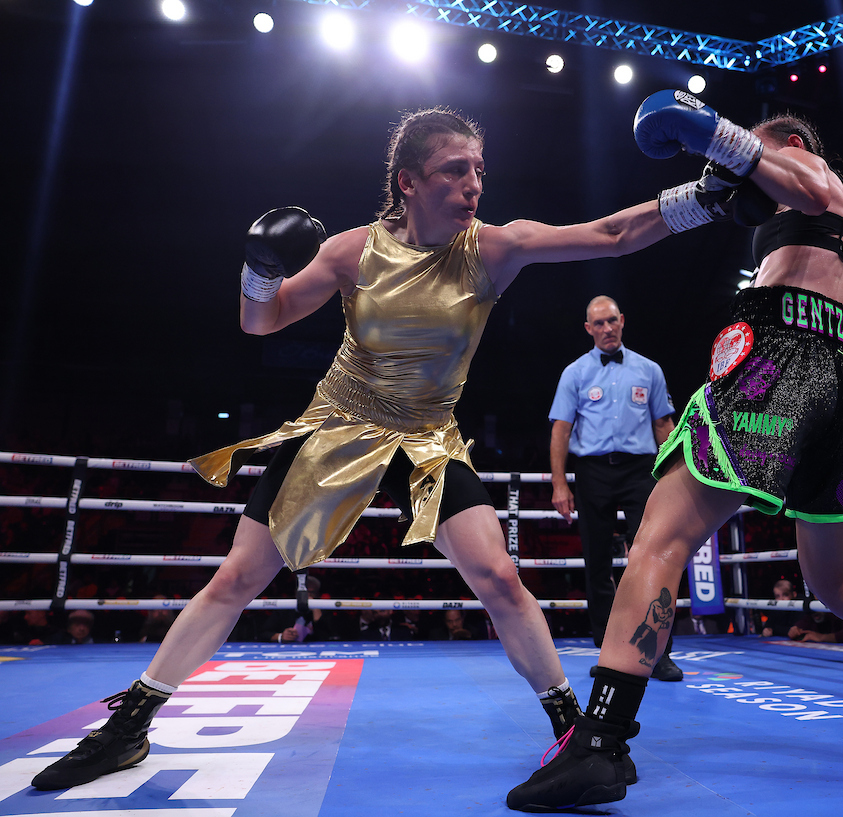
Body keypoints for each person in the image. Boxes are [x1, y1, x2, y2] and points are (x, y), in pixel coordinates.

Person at [32, 106, 746, 792]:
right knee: (237, 579)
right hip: (339, 422)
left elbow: (614, 233)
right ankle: (132, 722)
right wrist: (258, 266)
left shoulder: (495, 248)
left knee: (499, 578)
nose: (473, 185)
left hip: (428, 436)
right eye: (455, 170)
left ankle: (568, 724)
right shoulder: (351, 249)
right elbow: (263, 320)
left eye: (480, 171)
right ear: (408, 179)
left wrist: (704, 197)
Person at [508, 91, 843, 810]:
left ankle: (600, 743)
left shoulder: (811, 175)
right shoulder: (817, 223)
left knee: (659, 539)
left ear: (791, 143)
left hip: (779, 361)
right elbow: (625, 229)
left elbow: (806, 178)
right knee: (836, 583)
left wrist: (719, 136)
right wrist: (703, 189)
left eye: (757, 153)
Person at [548, 296, 681, 680]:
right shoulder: (574, 373)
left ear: (622, 321)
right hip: (592, 472)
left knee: (656, 556)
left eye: (612, 321)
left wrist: (675, 478)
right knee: (597, 563)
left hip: (641, 471)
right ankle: (609, 652)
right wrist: (560, 482)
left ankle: (659, 653)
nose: (607, 329)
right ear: (588, 329)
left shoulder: (649, 369)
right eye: (599, 324)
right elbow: (561, 428)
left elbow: (663, 426)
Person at [261, 576, 337, 643]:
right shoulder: (284, 609)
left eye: (312, 592)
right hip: (286, 650)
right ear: (296, 592)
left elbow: (333, 637)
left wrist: (318, 618)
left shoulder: (324, 610)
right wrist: (280, 636)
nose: (308, 595)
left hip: (316, 650)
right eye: (305, 592)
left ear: (317, 594)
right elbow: (263, 633)